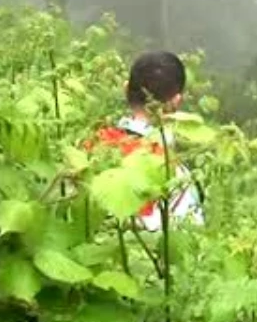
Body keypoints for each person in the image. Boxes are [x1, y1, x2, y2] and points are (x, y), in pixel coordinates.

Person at [83, 51, 204, 232]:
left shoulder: (91, 145)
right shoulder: (174, 173)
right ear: (176, 101)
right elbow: (191, 237)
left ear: (125, 89)